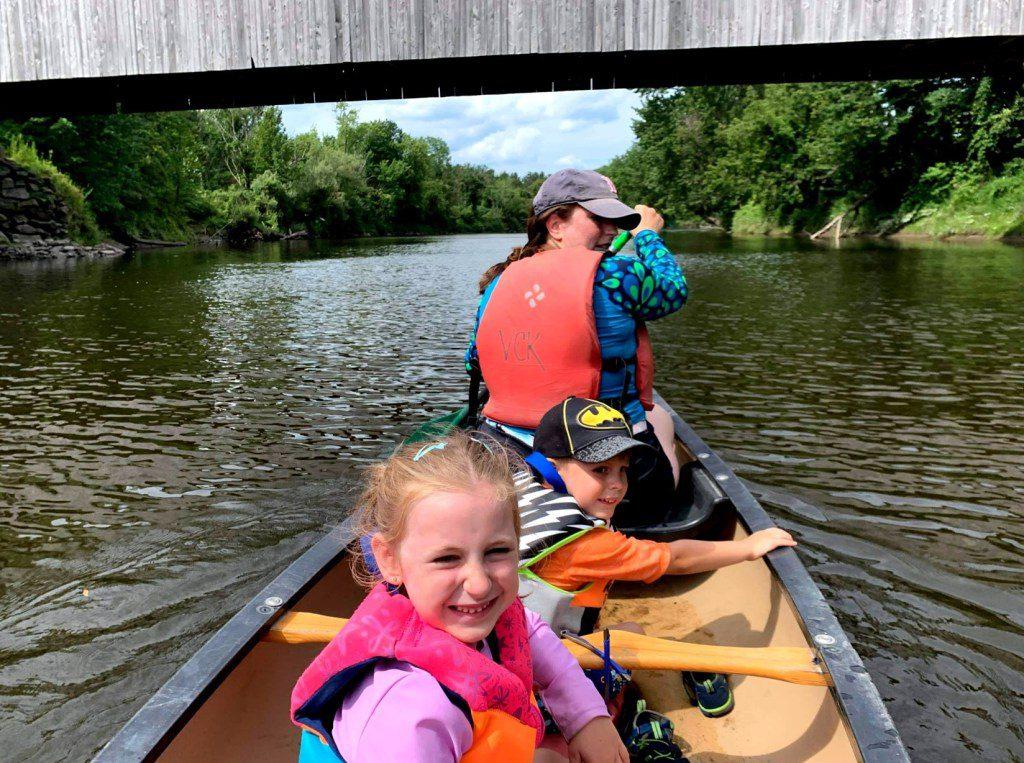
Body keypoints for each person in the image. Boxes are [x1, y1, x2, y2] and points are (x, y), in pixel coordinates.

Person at [290, 431, 628, 763]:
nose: (479, 584)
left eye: (497, 551)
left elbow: (530, 631)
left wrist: (587, 718)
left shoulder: (488, 614)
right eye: (447, 559)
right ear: (390, 560)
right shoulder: (411, 714)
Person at [517, 397, 797, 719]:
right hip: (542, 684)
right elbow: (675, 559)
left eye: (623, 470)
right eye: (601, 469)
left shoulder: (522, 492)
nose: (616, 484)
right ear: (552, 466)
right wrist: (748, 548)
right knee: (632, 633)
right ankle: (610, 713)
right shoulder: (587, 545)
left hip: (514, 655)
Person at [467, 168, 687, 529]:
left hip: (508, 454)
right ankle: (652, 508)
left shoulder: (498, 281)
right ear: (556, 225)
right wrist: (647, 235)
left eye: (616, 222)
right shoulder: (616, 273)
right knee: (661, 418)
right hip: (607, 471)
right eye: (599, 219)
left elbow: (474, 362)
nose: (612, 231)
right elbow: (673, 290)